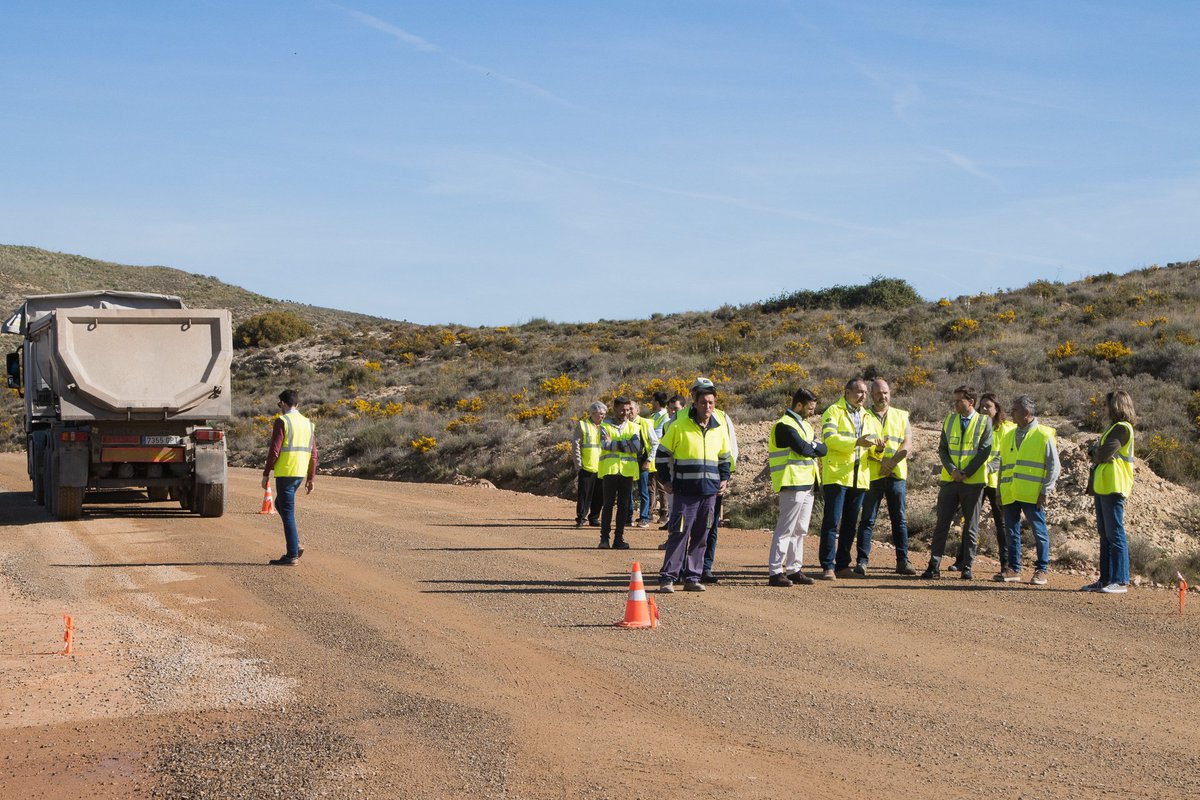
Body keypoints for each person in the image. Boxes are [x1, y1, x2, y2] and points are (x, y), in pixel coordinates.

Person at [655, 382, 732, 593]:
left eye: (711, 402)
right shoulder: (679, 426)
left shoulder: (719, 429)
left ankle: (693, 577)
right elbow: (661, 455)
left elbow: (725, 458)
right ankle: (668, 577)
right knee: (679, 533)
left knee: (701, 536)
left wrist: (724, 478)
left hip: (709, 493)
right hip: (685, 492)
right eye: (703, 402)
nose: (707, 406)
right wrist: (666, 481)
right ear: (695, 404)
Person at [921, 385, 993, 580]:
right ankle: (933, 566)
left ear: (971, 401)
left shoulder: (984, 422)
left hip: (973, 483)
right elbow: (942, 449)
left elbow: (985, 450)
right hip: (950, 481)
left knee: (970, 526)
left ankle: (967, 567)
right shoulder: (950, 420)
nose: (955, 404)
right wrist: (952, 470)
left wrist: (967, 472)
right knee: (941, 524)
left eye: (959, 400)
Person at [818, 378, 883, 580]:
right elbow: (830, 439)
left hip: (859, 477)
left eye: (865, 392)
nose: (862, 396)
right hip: (837, 476)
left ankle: (843, 565)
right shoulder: (833, 411)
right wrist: (856, 442)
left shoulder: (868, 417)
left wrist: (879, 449)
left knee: (849, 524)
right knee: (832, 522)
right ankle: (828, 566)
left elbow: (874, 450)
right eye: (858, 391)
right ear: (847, 392)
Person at [997, 395, 1060, 586]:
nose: (1011, 413)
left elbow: (1054, 466)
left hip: (1033, 494)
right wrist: (1000, 491)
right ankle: (1013, 569)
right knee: (1011, 531)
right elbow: (1003, 466)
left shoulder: (1043, 435)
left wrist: (1045, 490)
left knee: (1039, 532)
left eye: (1015, 409)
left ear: (1026, 413)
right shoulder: (1008, 435)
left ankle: (1042, 570)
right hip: (1011, 492)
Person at [767, 388, 827, 586]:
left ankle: (794, 569)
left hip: (807, 484)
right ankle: (776, 571)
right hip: (791, 483)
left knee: (800, 529)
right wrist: (813, 446)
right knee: (786, 528)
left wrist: (813, 446)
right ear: (798, 405)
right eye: (810, 408)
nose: (813, 412)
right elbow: (803, 448)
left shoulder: (805, 426)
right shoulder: (784, 425)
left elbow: (822, 449)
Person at [855, 378, 915, 575]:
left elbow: (907, 442)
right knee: (867, 520)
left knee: (899, 519)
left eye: (886, 392)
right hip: (873, 475)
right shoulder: (864, 416)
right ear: (872, 395)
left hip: (896, 474)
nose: (883, 396)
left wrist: (891, 463)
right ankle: (862, 562)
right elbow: (864, 444)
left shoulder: (900, 415)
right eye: (879, 393)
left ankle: (903, 561)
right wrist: (882, 463)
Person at [1085, 390, 1136, 594]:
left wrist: (1094, 451)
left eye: (1106, 405)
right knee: (1105, 534)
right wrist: (1097, 452)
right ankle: (1105, 579)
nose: (1104, 409)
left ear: (1115, 406)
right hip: (1105, 484)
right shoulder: (1114, 428)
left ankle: (1120, 580)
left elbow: (1105, 452)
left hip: (1114, 484)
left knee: (1114, 533)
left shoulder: (1122, 428)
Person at [261, 389, 316, 566]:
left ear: (284, 404)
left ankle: (292, 554)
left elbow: (274, 451)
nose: (280, 408)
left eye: (280, 405)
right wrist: (310, 478)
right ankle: (295, 543)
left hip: (286, 472)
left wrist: (265, 473)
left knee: (288, 513)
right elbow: (314, 454)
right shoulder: (308, 423)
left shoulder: (282, 421)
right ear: (297, 404)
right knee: (279, 505)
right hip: (299, 473)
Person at [597, 397, 646, 549]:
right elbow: (605, 444)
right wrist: (626, 443)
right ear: (615, 409)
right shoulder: (605, 425)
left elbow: (636, 447)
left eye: (628, 410)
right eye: (623, 410)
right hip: (610, 470)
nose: (626, 413)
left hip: (627, 471)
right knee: (608, 505)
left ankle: (619, 538)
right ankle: (604, 539)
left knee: (624, 506)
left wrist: (614, 443)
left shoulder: (634, 427)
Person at [979, 393, 1015, 581]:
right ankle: (962, 560)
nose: (984, 410)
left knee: (1001, 524)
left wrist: (989, 468)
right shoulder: (976, 426)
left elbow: (1005, 454)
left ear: (997, 408)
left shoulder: (1008, 429)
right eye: (982, 406)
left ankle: (1006, 564)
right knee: (970, 521)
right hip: (978, 480)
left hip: (997, 483)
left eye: (988, 406)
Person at [571, 401, 606, 528]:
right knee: (584, 495)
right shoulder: (583, 425)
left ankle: (594, 517)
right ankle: (581, 518)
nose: (603, 416)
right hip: (587, 466)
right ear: (593, 413)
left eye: (604, 414)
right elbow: (576, 446)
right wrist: (578, 465)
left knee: (599, 495)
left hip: (602, 467)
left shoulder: (606, 426)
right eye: (601, 414)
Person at [631, 400, 659, 528]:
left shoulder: (645, 423)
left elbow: (655, 442)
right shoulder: (624, 424)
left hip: (642, 461)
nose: (629, 411)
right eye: (627, 409)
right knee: (627, 491)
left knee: (643, 491)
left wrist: (649, 460)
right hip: (628, 463)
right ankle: (628, 516)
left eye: (631, 409)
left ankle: (644, 517)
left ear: (637, 410)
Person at [648, 392, 673, 524]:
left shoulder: (665, 417)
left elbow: (657, 434)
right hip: (650, 453)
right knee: (651, 485)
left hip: (659, 453)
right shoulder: (653, 416)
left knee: (661, 484)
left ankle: (664, 512)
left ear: (657, 402)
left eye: (653, 401)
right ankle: (650, 512)